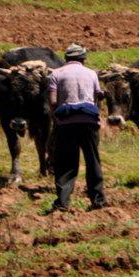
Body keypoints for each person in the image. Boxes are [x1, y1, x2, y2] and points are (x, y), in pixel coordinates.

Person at [48, 43, 107, 212]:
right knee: (93, 160)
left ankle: (63, 202)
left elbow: (53, 102)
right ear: (83, 59)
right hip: (89, 122)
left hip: (66, 123)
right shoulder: (91, 74)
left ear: (66, 59)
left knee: (66, 163)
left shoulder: (56, 74)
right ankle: (98, 200)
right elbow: (97, 97)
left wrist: (57, 118)